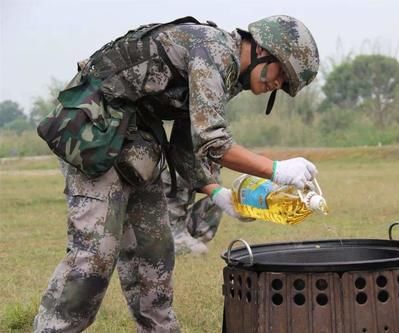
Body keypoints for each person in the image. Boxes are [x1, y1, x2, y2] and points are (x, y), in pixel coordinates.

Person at [34, 15, 319, 332]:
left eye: (285, 86)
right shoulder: (213, 50)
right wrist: (276, 169)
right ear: (264, 50)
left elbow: (187, 143)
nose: (277, 85)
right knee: (94, 259)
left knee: (155, 251)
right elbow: (213, 140)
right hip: (96, 133)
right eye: (282, 74)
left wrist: (216, 192)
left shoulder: (228, 75)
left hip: (138, 141)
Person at [164, 167, 223, 256]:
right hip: (162, 224)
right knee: (201, 250)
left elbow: (211, 184)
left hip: (180, 221)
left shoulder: (195, 162)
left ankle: (193, 240)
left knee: (219, 198)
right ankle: (173, 242)